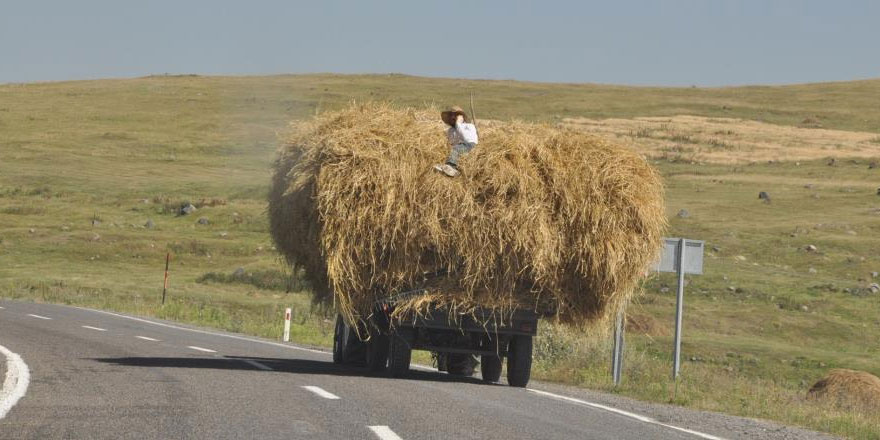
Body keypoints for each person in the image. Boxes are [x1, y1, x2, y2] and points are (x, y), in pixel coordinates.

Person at [433, 106, 478, 177]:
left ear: (461, 117)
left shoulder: (469, 126)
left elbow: (466, 138)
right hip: (460, 147)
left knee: (456, 149)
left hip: (470, 145)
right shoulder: (451, 130)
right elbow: (451, 142)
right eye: (451, 115)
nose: (453, 117)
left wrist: (458, 124)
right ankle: (448, 168)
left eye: (456, 115)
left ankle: (451, 166)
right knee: (453, 149)